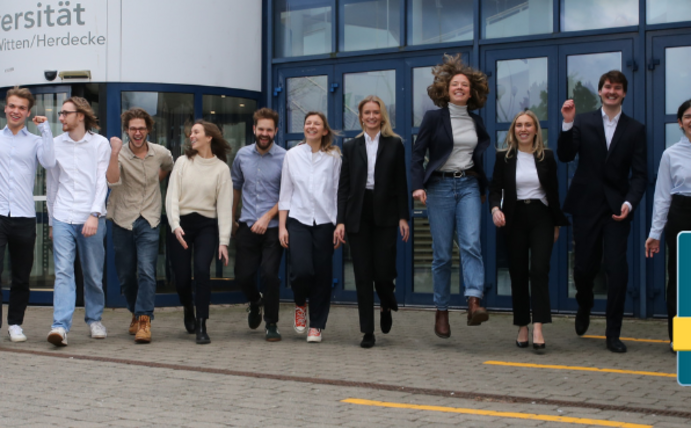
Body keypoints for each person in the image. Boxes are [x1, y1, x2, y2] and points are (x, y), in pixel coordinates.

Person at [558, 70, 647, 353]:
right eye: (607, 87)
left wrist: (630, 202)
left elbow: (640, 175)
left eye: (617, 88)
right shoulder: (582, 122)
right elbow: (565, 155)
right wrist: (567, 123)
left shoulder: (635, 129)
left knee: (617, 269)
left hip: (617, 209)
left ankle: (613, 333)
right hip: (586, 205)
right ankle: (585, 304)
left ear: (624, 93)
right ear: (600, 91)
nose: (612, 91)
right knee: (584, 267)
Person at [410, 54, 491, 339]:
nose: (460, 88)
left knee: (471, 243)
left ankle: (473, 302)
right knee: (443, 254)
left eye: (465, 85)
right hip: (439, 188)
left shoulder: (476, 121)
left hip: (468, 185)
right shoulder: (434, 118)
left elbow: (477, 158)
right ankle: (442, 309)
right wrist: (418, 185)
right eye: (455, 84)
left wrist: (480, 188)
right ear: (447, 89)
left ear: (472, 91)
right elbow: (417, 154)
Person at [489, 111, 569, 351]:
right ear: (514, 130)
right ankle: (522, 324)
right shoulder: (503, 157)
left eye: (528, 125)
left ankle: (538, 326)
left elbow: (553, 194)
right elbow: (495, 189)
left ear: (536, 129)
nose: (523, 129)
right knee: (518, 273)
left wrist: (556, 224)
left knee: (539, 269)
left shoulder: (548, 157)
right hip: (514, 219)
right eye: (519, 125)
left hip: (541, 216)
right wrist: (495, 209)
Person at [334, 95, 410, 348]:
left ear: (382, 115)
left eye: (376, 112)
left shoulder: (395, 144)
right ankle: (367, 330)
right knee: (363, 274)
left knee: (384, 271)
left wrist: (403, 216)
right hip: (358, 214)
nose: (371, 116)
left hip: (386, 214)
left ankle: (387, 302)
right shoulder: (350, 147)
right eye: (367, 112)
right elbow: (343, 187)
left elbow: (401, 182)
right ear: (361, 116)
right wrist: (341, 221)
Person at [46, 97, 111, 347]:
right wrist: (52, 222)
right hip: (63, 215)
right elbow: (51, 184)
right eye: (61, 113)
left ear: (80, 116)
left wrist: (94, 214)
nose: (60, 117)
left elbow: (100, 181)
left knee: (93, 274)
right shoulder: (54, 144)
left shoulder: (99, 144)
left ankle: (94, 319)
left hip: (90, 216)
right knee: (63, 272)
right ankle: (60, 327)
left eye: (65, 113)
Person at [106, 108, 174, 344]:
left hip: (150, 219)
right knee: (126, 275)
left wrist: (157, 180)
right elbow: (112, 181)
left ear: (148, 130)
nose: (137, 132)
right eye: (133, 128)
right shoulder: (119, 154)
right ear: (126, 130)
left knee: (146, 270)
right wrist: (114, 152)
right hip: (122, 218)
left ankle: (144, 319)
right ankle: (135, 311)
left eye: (141, 128)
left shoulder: (160, 152)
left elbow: (169, 165)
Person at [166, 120, 233, 345]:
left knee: (202, 271)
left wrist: (224, 241)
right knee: (183, 278)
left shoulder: (221, 169)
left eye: (196, 132)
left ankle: (202, 324)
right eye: (191, 133)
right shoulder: (182, 162)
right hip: (181, 225)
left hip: (207, 226)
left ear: (209, 137)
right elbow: (172, 196)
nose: (191, 136)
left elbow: (224, 208)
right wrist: (175, 225)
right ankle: (188, 309)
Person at [278, 111, 342, 343]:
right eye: (308, 123)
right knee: (302, 270)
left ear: (325, 130)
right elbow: (285, 192)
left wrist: (338, 224)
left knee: (322, 275)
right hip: (298, 220)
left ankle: (316, 325)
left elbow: (336, 192)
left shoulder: (334, 157)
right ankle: (299, 303)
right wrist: (282, 226)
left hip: (325, 222)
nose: (312, 127)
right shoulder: (292, 155)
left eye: (317, 124)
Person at [0, 87, 55, 342]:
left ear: (28, 112)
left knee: (21, 276)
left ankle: (15, 324)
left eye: (21, 107)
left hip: (23, 217)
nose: (16, 111)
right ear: (5, 108)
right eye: (12, 106)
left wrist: (45, 130)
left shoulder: (34, 141)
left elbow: (50, 162)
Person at [231, 108, 286, 342]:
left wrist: (267, 217)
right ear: (254, 129)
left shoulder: (285, 158)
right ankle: (255, 301)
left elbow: (288, 194)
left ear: (275, 131)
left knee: (270, 275)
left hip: (273, 228)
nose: (264, 133)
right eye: (261, 129)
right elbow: (235, 186)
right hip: (246, 226)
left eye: (269, 130)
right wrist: (231, 218)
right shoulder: (242, 155)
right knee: (243, 276)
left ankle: (271, 323)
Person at [645, 99, 691, 354]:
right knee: (682, 280)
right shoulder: (671, 154)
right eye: (688, 116)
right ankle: (682, 338)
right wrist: (655, 233)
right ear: (680, 122)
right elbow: (662, 196)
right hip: (682, 214)